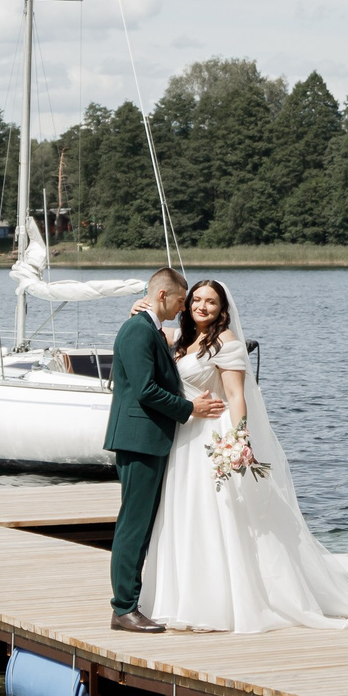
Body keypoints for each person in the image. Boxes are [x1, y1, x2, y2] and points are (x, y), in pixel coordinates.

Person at [139, 278, 348, 632]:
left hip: (213, 434)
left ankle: (218, 604)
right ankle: (181, 599)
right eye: (196, 300)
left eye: (210, 302)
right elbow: (153, 329)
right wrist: (142, 308)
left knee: (215, 512)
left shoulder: (226, 342)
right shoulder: (180, 340)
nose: (201, 307)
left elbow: (236, 396)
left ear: (222, 309)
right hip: (184, 435)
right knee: (184, 511)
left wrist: (239, 440)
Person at [105, 267, 223, 633]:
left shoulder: (150, 328)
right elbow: (144, 390)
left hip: (148, 439)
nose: (183, 307)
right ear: (162, 296)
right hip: (138, 440)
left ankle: (132, 603)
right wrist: (191, 410)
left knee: (140, 525)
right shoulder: (138, 330)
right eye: (179, 300)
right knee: (133, 526)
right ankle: (124, 607)